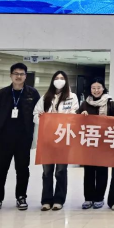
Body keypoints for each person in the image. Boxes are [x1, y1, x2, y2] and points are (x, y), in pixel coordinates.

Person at [0, 63, 41, 214]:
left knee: (23, 169)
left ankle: (21, 197)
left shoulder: (32, 93)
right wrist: (1, 124)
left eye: (22, 74)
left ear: (25, 76)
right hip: (4, 138)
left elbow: (38, 111)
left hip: (23, 138)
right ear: (11, 75)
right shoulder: (2, 93)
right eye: (16, 73)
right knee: (0, 169)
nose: (19, 76)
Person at [33, 71, 79, 211]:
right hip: (47, 139)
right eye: (57, 78)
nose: (59, 80)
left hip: (63, 138)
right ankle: (46, 200)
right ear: (53, 80)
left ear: (66, 81)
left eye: (62, 78)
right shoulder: (45, 97)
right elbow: (35, 114)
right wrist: (42, 117)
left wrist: (60, 119)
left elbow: (74, 115)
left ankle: (59, 199)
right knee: (47, 171)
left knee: (60, 171)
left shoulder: (72, 97)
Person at [77, 77, 114, 210]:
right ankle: (88, 198)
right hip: (89, 142)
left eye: (99, 88)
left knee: (101, 171)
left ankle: (99, 198)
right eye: (93, 88)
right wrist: (81, 115)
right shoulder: (85, 103)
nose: (96, 90)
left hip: (104, 142)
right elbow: (75, 119)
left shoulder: (109, 102)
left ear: (103, 88)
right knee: (88, 171)